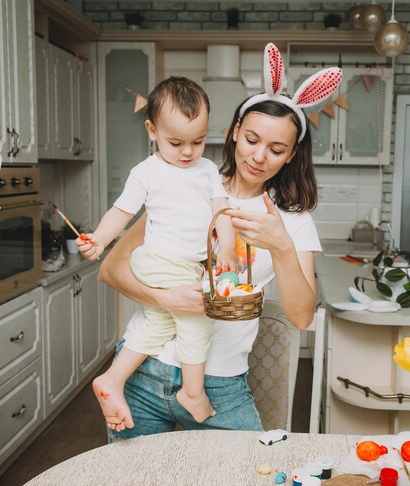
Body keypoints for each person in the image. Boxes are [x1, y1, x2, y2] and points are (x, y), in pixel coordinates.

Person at [100, 43, 341, 439]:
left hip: (221, 384)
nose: (259, 156)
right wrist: (164, 298)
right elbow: (110, 270)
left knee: (245, 478)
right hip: (144, 372)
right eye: (251, 139)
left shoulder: (294, 221)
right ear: (232, 133)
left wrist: (280, 245)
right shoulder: (183, 185)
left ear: (291, 155)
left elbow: (301, 317)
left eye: (276, 149)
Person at [78, 76, 238, 429]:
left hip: (186, 265)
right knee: (197, 320)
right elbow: (121, 212)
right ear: (152, 129)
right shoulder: (146, 172)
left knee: (161, 322)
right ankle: (193, 393)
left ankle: (112, 379)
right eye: (175, 141)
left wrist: (226, 247)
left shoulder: (208, 170)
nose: (187, 151)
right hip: (159, 261)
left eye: (198, 141)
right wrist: (101, 240)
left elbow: (220, 211)